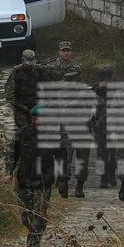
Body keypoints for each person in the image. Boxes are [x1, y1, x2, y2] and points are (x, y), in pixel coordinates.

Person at [6, 49, 55, 247]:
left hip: (39, 113)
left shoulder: (41, 71)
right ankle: (32, 227)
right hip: (22, 114)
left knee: (39, 209)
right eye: (27, 60)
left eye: (32, 60)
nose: (30, 63)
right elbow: (8, 94)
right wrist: (23, 108)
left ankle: (35, 235)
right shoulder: (16, 72)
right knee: (25, 211)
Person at [46, 39, 84, 197]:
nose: (66, 53)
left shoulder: (77, 67)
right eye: (64, 50)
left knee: (67, 146)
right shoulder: (51, 67)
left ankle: (64, 179)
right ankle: (54, 176)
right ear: (59, 52)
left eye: (68, 50)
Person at [71, 66, 116, 199]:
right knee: (103, 153)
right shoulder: (94, 90)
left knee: (111, 152)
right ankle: (104, 178)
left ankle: (110, 176)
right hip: (100, 126)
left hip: (110, 125)